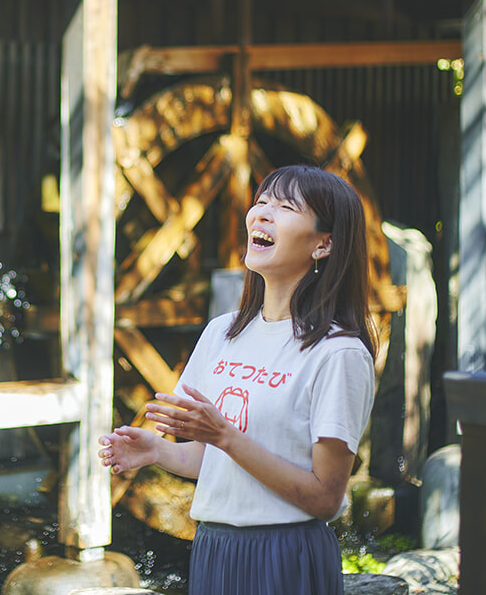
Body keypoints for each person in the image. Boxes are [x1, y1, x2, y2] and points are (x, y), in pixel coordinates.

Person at [99, 164, 377, 595]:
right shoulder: (223, 333)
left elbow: (325, 498)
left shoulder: (338, 353)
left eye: (284, 207)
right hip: (213, 546)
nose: (260, 214)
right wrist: (156, 450)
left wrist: (225, 436)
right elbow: (211, 459)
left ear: (324, 244)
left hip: (285, 553)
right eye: (261, 202)